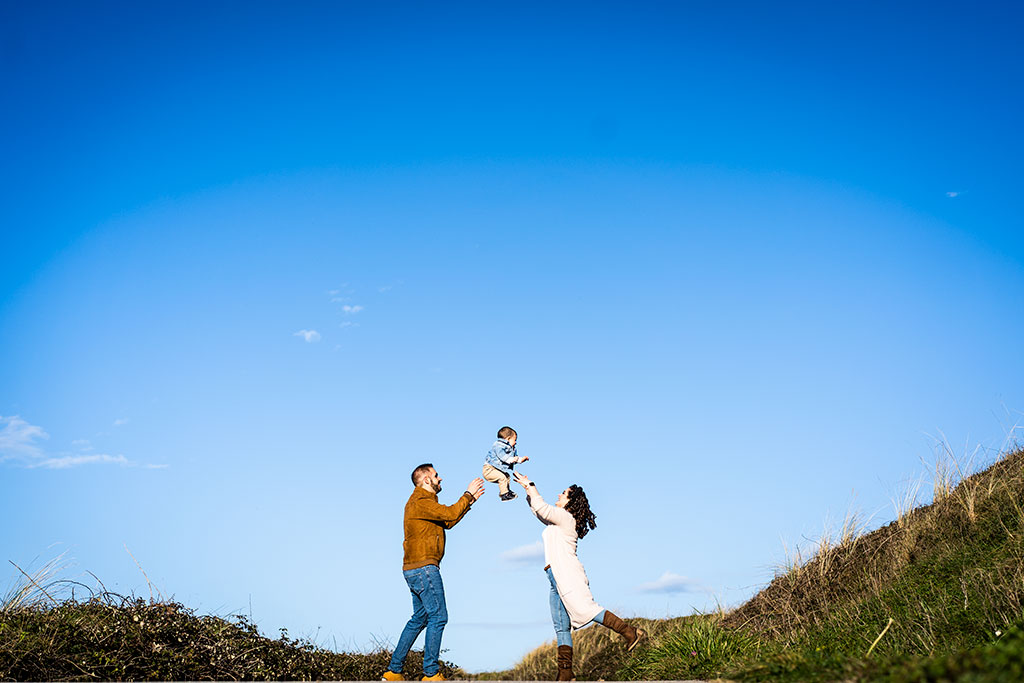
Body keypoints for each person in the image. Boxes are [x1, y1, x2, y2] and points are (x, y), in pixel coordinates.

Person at [512, 470, 645, 681]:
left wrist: (531, 485)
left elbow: (543, 508)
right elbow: (539, 511)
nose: (558, 495)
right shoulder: (559, 520)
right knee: (561, 626)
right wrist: (528, 491)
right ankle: (566, 673)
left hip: (568, 575)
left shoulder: (566, 518)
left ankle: (630, 632)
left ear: (570, 501)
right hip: (554, 578)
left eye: (563, 493)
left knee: (587, 609)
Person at [382, 464, 486, 682]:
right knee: (439, 616)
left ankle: (394, 672)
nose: (441, 478)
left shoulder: (426, 504)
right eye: (436, 475)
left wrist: (470, 501)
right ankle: (430, 673)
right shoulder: (420, 501)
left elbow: (448, 520)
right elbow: (449, 513)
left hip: (414, 569)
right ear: (426, 480)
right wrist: (467, 494)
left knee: (420, 618)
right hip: (424, 569)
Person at [482, 426, 529, 501]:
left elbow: (513, 459)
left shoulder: (511, 449)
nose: (516, 442)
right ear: (508, 439)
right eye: (515, 440)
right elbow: (502, 456)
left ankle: (506, 491)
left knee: (507, 476)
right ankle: (504, 494)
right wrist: (512, 459)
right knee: (502, 477)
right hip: (489, 469)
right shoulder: (498, 445)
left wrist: (520, 460)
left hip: (496, 469)